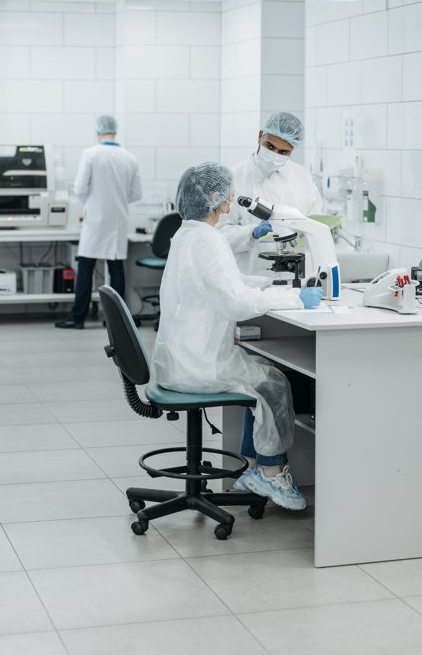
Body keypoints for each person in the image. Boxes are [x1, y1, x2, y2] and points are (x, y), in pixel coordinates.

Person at [152, 162, 323, 511]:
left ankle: (257, 464)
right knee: (274, 382)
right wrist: (295, 298)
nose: (233, 195)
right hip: (199, 367)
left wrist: (268, 284)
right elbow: (236, 303)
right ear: (220, 199)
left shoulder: (187, 233)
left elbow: (227, 282)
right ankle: (271, 472)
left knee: (260, 371)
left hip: (180, 357)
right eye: (229, 191)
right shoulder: (207, 241)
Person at [55, 114, 142, 329]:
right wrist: (118, 201)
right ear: (115, 130)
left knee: (85, 269)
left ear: (97, 131)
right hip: (118, 221)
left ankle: (77, 318)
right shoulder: (129, 158)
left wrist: (92, 204)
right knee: (116, 270)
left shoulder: (91, 154)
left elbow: (80, 188)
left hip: (94, 220)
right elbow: (136, 194)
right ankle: (117, 322)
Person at [220, 111, 324, 275]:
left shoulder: (302, 177)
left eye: (283, 152)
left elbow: (317, 223)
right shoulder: (234, 178)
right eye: (270, 146)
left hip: (295, 277)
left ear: (292, 150)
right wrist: (252, 233)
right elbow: (219, 234)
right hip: (249, 279)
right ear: (260, 136)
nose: (274, 156)